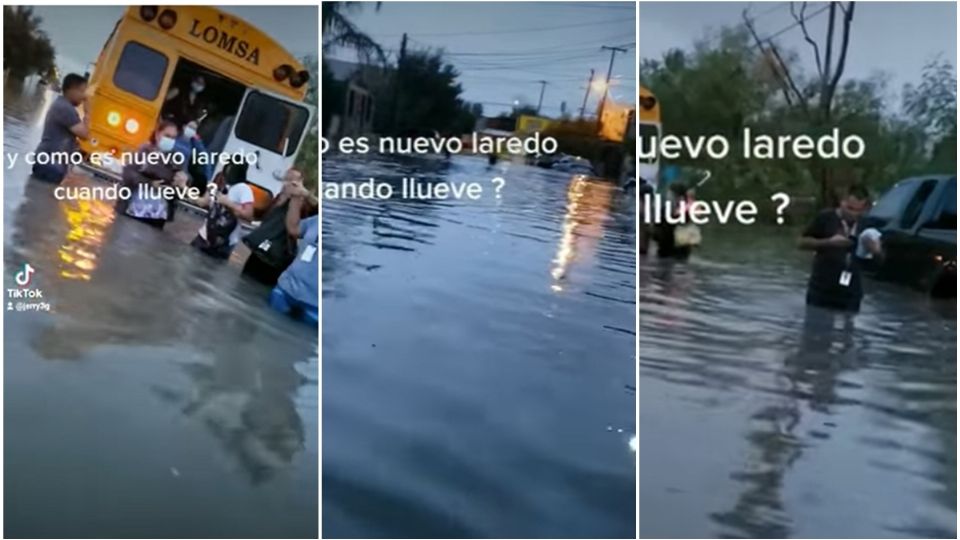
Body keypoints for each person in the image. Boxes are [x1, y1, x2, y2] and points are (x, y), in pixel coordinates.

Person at [798, 185, 881, 312]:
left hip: (851, 292)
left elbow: (879, 262)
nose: (853, 214)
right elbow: (801, 243)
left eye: (859, 210)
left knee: (848, 329)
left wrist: (875, 251)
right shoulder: (825, 217)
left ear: (865, 208)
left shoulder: (868, 225)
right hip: (821, 289)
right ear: (842, 202)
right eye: (850, 208)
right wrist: (828, 243)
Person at [241, 169, 315, 285]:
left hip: (278, 255)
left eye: (293, 180)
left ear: (300, 182)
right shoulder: (278, 197)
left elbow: (315, 209)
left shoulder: (303, 203)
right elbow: (263, 216)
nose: (288, 183)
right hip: (260, 249)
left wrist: (302, 194)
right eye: (286, 179)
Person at [117, 120, 188, 229]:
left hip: (158, 215)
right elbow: (129, 174)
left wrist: (182, 181)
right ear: (157, 134)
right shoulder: (144, 151)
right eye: (167, 136)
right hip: (134, 209)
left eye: (173, 138)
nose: (170, 140)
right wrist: (150, 183)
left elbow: (179, 187)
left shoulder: (176, 159)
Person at [31, 73, 90, 183]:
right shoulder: (65, 109)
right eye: (82, 91)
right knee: (44, 196)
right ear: (71, 89)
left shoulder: (61, 105)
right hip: (51, 164)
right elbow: (84, 134)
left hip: (49, 162)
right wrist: (87, 112)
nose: (84, 97)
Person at [269, 194, 319, 324]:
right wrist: (296, 199)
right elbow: (293, 228)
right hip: (286, 287)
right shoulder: (317, 221)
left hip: (315, 303)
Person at [188, 163, 254, 259]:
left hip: (224, 241)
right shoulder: (218, 181)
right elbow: (203, 202)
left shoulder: (243, 188)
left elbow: (248, 215)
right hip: (204, 235)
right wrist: (184, 188)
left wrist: (228, 203)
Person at [173, 120, 213, 188]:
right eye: (190, 127)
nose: (191, 130)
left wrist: (208, 178)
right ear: (184, 127)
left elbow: (204, 157)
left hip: (183, 175)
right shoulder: (173, 137)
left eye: (194, 129)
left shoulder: (193, 144)